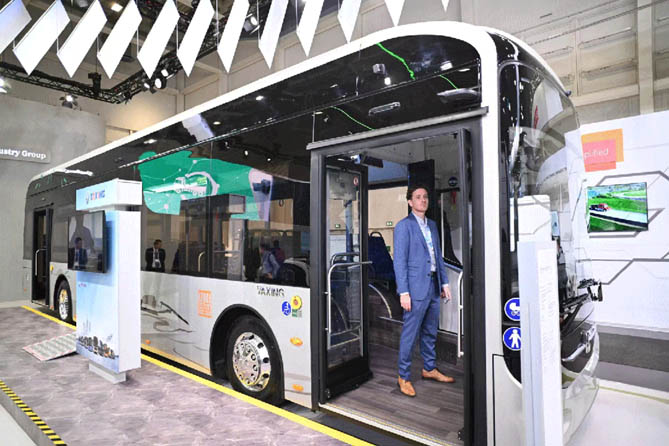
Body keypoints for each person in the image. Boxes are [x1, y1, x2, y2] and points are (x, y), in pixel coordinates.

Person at [393, 185, 455, 397]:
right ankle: (403, 376)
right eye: (418, 197)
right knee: (410, 335)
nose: (423, 200)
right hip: (414, 289)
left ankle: (429, 368)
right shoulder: (404, 226)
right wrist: (403, 292)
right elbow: (399, 262)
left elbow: (437, 257)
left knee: (430, 331)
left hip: (433, 286)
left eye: (425, 197)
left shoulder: (432, 226)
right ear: (410, 202)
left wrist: (444, 283)